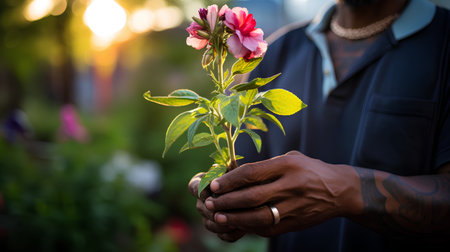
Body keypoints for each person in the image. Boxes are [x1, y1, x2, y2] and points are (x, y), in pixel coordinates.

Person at [189, 0, 450, 251]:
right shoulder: (280, 50)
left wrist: (345, 190)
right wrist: (223, 200)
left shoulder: (443, 43)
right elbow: (247, 175)